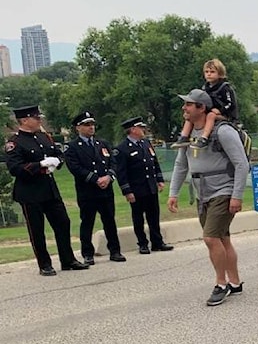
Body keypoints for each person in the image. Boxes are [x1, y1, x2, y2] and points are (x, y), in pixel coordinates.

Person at [167, 89, 251, 306]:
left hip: (223, 190)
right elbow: (180, 164)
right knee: (222, 238)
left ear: (201, 108)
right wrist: (173, 193)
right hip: (202, 193)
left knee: (210, 238)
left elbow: (242, 164)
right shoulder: (187, 135)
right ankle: (235, 282)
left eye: (188, 104)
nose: (184, 108)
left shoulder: (222, 132)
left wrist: (237, 195)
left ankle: (220, 284)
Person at [4, 105, 88, 275]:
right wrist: (40, 165)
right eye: (36, 118)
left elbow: (58, 153)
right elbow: (15, 168)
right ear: (25, 120)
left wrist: (57, 161)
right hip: (30, 192)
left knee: (63, 223)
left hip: (49, 189)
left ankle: (68, 259)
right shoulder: (15, 142)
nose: (39, 120)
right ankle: (44, 264)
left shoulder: (44, 137)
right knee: (37, 230)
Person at [63, 111, 126, 264]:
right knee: (87, 222)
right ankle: (87, 254)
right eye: (87, 124)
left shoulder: (102, 144)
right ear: (78, 127)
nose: (91, 127)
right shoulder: (71, 147)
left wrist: (109, 177)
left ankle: (115, 251)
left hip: (105, 190)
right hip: (88, 191)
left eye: (92, 124)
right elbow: (75, 168)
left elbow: (113, 162)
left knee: (109, 220)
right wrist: (95, 179)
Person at [114, 116, 174, 255]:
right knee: (138, 218)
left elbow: (154, 163)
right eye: (141, 128)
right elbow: (121, 173)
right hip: (136, 189)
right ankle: (142, 243)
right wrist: (127, 191)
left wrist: (159, 179)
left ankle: (157, 242)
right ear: (133, 129)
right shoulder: (122, 149)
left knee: (154, 216)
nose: (144, 130)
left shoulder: (146, 143)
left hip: (150, 186)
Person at [172, 58, 238, 150]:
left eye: (212, 72)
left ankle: (204, 138)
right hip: (210, 110)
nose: (209, 74)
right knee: (190, 116)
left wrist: (220, 110)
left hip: (225, 114)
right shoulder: (205, 87)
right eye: (206, 72)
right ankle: (184, 136)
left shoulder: (225, 88)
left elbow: (231, 104)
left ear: (220, 73)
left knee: (210, 115)